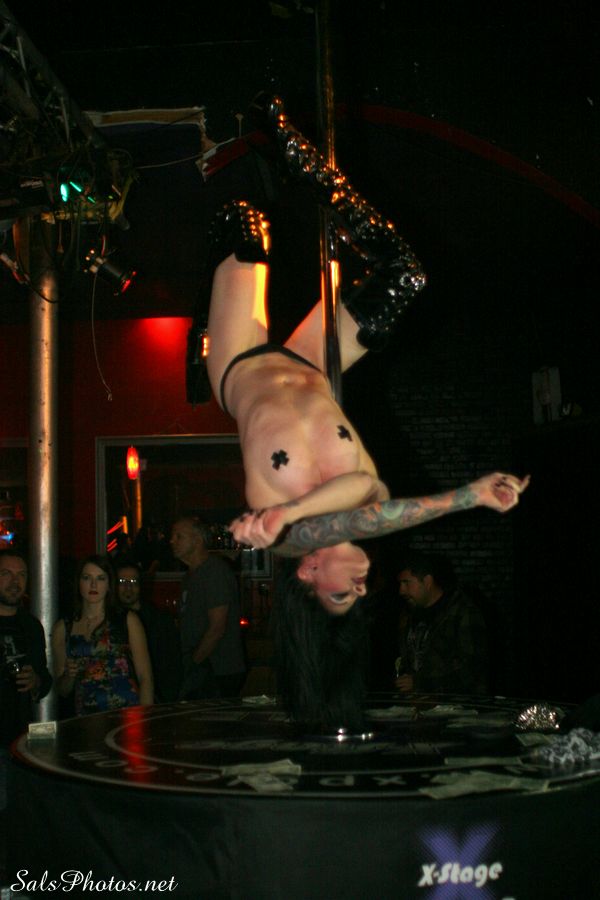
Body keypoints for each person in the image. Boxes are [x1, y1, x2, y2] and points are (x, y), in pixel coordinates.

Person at [197, 96, 529, 613]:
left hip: (241, 363)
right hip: (311, 363)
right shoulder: (360, 506)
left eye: (339, 595)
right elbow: (366, 492)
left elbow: (328, 522)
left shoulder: (287, 540)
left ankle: (202, 316)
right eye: (360, 595)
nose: (359, 587)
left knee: (244, 224)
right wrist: (472, 495)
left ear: (308, 571)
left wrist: (283, 517)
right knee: (404, 277)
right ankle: (305, 165)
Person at [51, 554, 153, 715]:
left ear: (109, 584)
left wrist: (146, 717)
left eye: (100, 578)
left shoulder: (127, 620)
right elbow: (62, 690)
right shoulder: (63, 628)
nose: (93, 585)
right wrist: (69, 676)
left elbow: (145, 677)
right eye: (87, 578)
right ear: (78, 583)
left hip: (127, 712)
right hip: (86, 715)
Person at [170, 517, 246, 699]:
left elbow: (217, 628)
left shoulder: (214, 572)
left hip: (217, 670)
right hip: (204, 668)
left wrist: (193, 662)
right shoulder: (190, 576)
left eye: (179, 536)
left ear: (197, 540)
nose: (172, 541)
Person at [394, 552, 489, 695]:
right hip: (421, 704)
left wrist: (421, 683)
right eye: (400, 584)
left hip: (458, 705)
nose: (401, 590)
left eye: (406, 582)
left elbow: (473, 669)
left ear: (427, 581)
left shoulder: (462, 613)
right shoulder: (410, 614)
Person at [0, 550, 52, 809]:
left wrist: (36, 681)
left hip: (20, 740)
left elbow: (45, 678)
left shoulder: (31, 626)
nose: (15, 581)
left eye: (21, 575)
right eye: (6, 574)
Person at [115, 558, 182, 702]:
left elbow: (171, 667)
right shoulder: (109, 622)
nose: (128, 587)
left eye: (133, 582)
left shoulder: (160, 621)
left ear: (140, 586)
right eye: (122, 582)